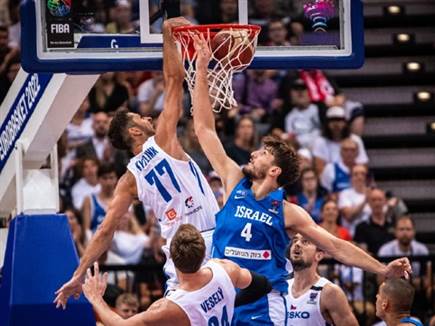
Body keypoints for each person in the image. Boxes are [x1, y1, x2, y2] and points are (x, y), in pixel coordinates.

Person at [191, 33, 411, 325]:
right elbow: (205, 130)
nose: (255, 153)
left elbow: (335, 245)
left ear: (274, 171)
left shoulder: (287, 212)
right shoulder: (233, 182)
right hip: (222, 297)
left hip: (262, 303)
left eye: (264, 152)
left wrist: (381, 269)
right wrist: (202, 69)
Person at [55, 18, 220, 309]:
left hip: (179, 253)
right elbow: (173, 80)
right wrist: (168, 34)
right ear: (134, 131)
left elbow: (105, 230)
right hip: (210, 239)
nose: (147, 118)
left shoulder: (128, 180)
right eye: (140, 119)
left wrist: (78, 274)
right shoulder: (163, 139)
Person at [83, 224, 272, 325]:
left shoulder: (169, 307)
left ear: (171, 259)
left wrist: (96, 298)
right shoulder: (225, 269)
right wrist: (228, 301)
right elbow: (263, 285)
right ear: (202, 252)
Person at [286, 233, 358, 325]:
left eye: (305, 241)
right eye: (295, 240)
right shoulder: (279, 289)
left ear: (319, 255)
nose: (297, 244)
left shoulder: (330, 292)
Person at [312, 106, 368, 174]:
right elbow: (320, 170)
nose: (336, 124)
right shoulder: (320, 142)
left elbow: (363, 166)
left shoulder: (356, 140)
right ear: (327, 123)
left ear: (345, 123)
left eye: (339, 120)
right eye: (332, 120)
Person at [354, 188, 395, 255]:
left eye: (380, 199)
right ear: (369, 203)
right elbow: (363, 253)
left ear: (385, 201)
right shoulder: (361, 227)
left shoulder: (394, 225)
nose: (377, 203)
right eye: (373, 200)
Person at [82, 163, 118, 234]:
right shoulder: (89, 200)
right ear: (98, 179)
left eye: (111, 178)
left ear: (116, 179)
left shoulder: (124, 199)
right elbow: (86, 231)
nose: (108, 182)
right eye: (105, 178)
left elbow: (133, 227)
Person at [338, 164, 371, 237]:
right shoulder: (345, 194)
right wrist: (365, 201)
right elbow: (349, 216)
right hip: (352, 236)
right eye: (356, 174)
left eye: (363, 174)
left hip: (371, 236)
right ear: (351, 178)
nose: (359, 177)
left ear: (367, 178)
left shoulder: (373, 193)